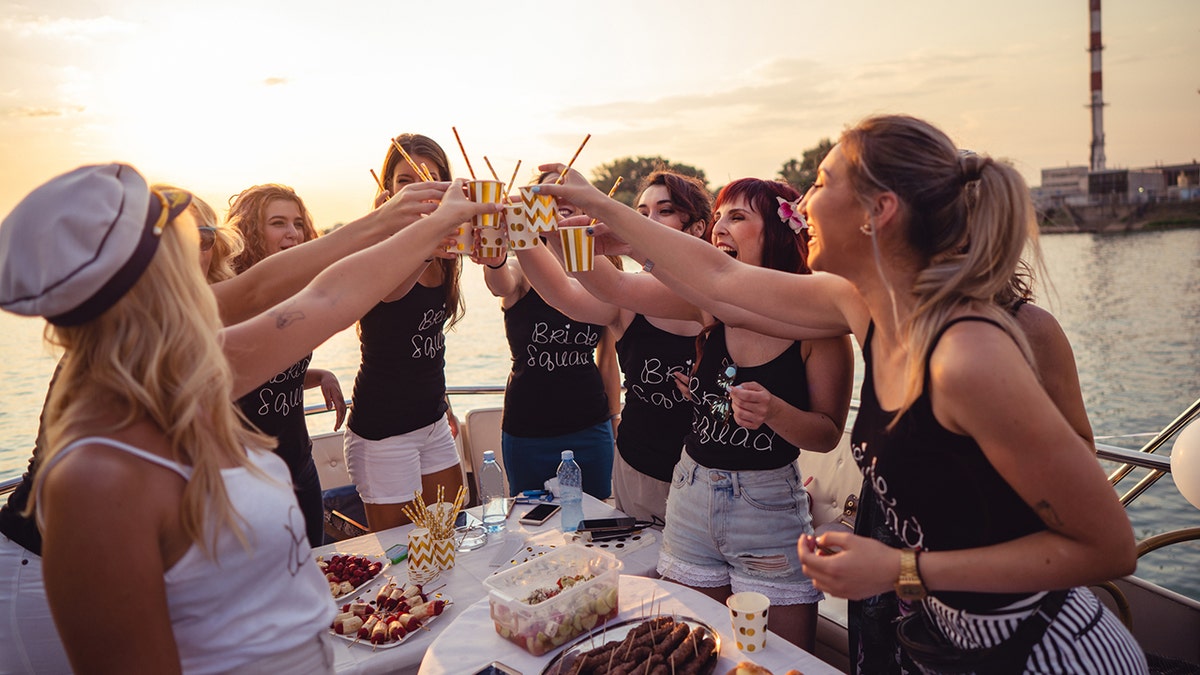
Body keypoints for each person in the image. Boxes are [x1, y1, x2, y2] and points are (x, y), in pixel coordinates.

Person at [535, 114, 1147, 672]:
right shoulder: (860, 307)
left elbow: (1108, 547)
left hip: (1043, 651)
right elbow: (723, 279)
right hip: (946, 639)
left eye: (822, 183)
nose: (801, 203)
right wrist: (607, 218)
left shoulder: (968, 354)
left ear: (877, 211)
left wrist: (902, 568)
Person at [0, 162, 497, 672]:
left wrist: (406, 221)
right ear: (156, 274)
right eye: (191, 236)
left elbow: (315, 295)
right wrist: (426, 225)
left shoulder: (178, 361)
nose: (209, 249)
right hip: (29, 576)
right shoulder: (100, 472)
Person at [553, 177, 854, 652]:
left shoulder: (821, 326)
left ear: (778, 231)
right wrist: (562, 237)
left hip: (768, 511)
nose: (720, 227)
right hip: (691, 496)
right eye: (718, 216)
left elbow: (827, 434)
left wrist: (775, 411)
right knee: (694, 657)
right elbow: (611, 285)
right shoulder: (708, 307)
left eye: (738, 217)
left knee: (777, 661)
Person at [512, 170, 711, 524]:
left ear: (698, 227)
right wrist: (523, 229)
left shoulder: (721, 298)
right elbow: (565, 294)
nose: (648, 222)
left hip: (715, 474)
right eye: (642, 213)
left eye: (664, 211)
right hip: (640, 472)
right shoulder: (628, 296)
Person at [342, 134, 466, 531]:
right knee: (402, 556)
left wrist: (443, 402)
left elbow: (429, 343)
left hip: (431, 421)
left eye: (432, 177)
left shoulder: (447, 250)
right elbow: (391, 292)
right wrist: (427, 246)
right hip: (384, 432)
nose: (421, 188)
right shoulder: (377, 243)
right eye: (405, 180)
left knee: (450, 534)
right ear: (388, 190)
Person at [475, 170, 620, 499]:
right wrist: (494, 261)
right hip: (528, 430)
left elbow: (608, 361)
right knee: (531, 529)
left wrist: (614, 420)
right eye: (548, 196)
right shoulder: (522, 270)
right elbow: (501, 284)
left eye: (568, 194)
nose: (559, 202)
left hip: (590, 426)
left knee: (595, 522)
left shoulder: (606, 273)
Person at [225, 183, 347, 545]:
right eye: (278, 223)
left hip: (300, 465)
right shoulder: (232, 301)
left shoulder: (294, 296)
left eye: (297, 223)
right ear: (248, 232)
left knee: (316, 571)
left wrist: (318, 374)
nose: (292, 232)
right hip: (250, 479)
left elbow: (269, 367)